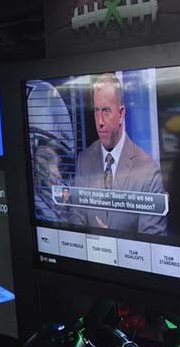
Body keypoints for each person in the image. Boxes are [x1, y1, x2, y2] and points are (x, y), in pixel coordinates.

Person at [71, 72, 167, 235]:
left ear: (121, 114)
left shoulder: (148, 172)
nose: (100, 122)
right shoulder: (84, 161)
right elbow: (75, 218)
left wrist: (115, 242)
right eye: (96, 111)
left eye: (106, 111)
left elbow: (154, 241)